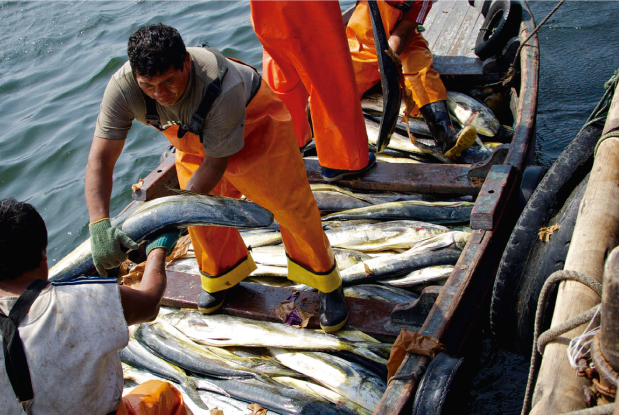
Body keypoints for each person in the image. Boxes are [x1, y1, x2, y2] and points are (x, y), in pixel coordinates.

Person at [85, 24, 348, 332]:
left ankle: (326, 281)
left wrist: (172, 219)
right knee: (201, 219)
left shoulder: (222, 85)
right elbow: (101, 158)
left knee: (291, 207)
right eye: (148, 86)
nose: (160, 94)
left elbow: (215, 163)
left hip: (255, 129)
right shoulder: (123, 88)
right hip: (193, 140)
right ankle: (224, 277)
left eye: (169, 81)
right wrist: (99, 223)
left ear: (186, 63)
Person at [0, 198, 187, 415]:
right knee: (165, 396)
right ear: (43, 253)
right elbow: (150, 303)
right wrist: (158, 250)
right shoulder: (88, 300)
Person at [249, 1, 376, 182]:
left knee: (283, 72)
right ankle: (342, 162)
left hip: (266, 14)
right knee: (330, 79)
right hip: (308, 11)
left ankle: (290, 148)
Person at [346, 0, 477, 159]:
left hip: (402, 41)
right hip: (361, 43)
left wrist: (388, 59)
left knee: (421, 73)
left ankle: (445, 134)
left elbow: (402, 33)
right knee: (340, 89)